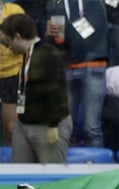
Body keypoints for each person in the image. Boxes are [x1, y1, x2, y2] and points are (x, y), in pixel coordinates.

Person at [0, 13, 71, 163]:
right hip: (25, 123)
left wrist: (53, 123)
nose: (8, 47)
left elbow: (58, 89)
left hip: (48, 126)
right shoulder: (27, 55)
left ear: (17, 36)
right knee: (19, 176)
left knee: (49, 179)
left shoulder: (47, 53)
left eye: (8, 41)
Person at [46, 0, 108, 148]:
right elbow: (55, 40)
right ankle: (64, 167)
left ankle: (98, 169)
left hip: (93, 64)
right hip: (66, 65)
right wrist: (48, 33)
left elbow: (95, 31)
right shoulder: (54, 3)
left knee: (92, 128)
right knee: (65, 127)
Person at [0, 0, 25, 145]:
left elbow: (25, 45)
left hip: (13, 76)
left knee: (12, 128)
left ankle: (17, 165)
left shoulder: (15, 11)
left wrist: (5, 39)